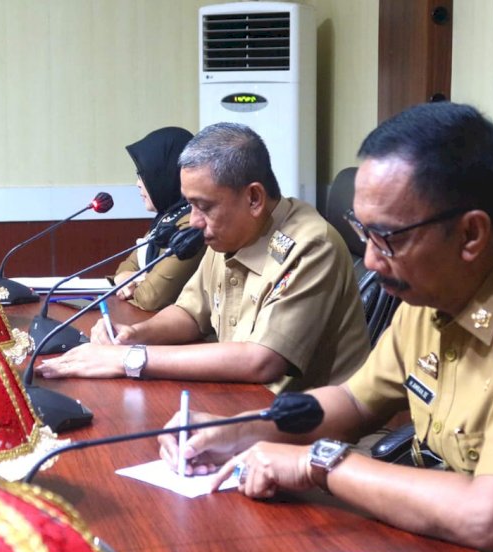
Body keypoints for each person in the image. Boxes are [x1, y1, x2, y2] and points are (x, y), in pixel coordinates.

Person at [158, 104, 493, 552]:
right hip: (432, 546)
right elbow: (355, 402)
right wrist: (240, 430)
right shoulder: (432, 286)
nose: (372, 261)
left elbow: (490, 517)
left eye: (387, 238)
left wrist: (319, 461)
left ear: (470, 234)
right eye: (364, 232)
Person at [37, 122, 370, 393]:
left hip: (316, 439)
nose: (194, 221)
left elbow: (262, 360)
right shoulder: (227, 233)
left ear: (253, 198)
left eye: (204, 206)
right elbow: (190, 313)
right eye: (191, 205)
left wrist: (129, 359)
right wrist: (133, 335)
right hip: (240, 407)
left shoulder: (310, 245)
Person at [112, 126, 205, 311]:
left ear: (166, 174)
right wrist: (132, 279)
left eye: (143, 175)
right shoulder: (166, 218)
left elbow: (151, 297)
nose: (138, 184)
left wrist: (134, 282)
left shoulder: (192, 224)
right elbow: (123, 270)